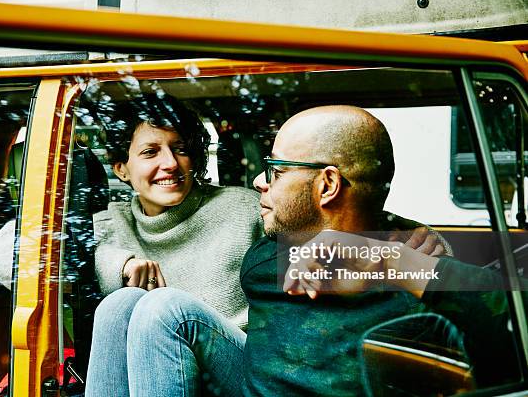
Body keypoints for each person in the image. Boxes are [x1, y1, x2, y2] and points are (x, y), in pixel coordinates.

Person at [115, 104, 451, 397]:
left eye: (276, 171)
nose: (259, 181)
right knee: (125, 304)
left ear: (327, 185)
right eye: (150, 152)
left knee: (164, 307)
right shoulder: (265, 258)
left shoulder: (408, 277)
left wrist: (398, 248)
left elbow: (494, 299)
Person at [84, 93, 263, 396]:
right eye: (150, 152)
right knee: (118, 305)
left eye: (180, 149)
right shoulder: (114, 222)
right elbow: (1, 254)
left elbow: (343, 259)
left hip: (242, 373)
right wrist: (117, 263)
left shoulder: (245, 208)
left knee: (163, 305)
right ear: (121, 169)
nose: (169, 163)